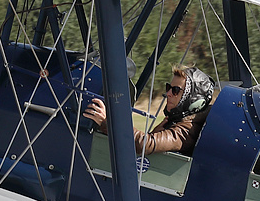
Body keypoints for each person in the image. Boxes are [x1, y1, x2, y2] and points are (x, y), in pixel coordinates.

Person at [83, 65, 214, 156]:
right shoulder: (178, 123)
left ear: (194, 102)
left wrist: (108, 123)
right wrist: (155, 133)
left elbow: (145, 144)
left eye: (175, 91)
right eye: (169, 87)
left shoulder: (186, 131)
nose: (168, 93)